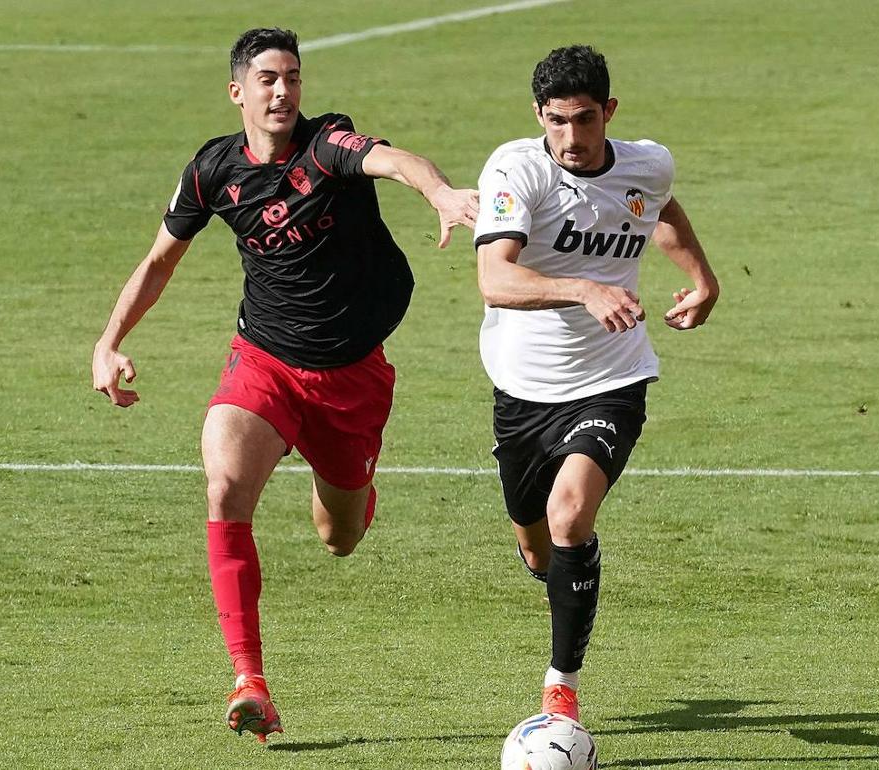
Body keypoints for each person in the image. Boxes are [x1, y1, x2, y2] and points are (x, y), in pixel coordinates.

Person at [91, 27, 477, 741]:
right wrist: (110, 341)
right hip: (263, 361)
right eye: (268, 78)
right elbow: (158, 261)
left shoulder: (328, 145)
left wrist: (441, 193)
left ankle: (348, 484)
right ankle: (249, 680)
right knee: (224, 487)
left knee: (341, 536)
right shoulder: (212, 170)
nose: (283, 91)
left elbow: (394, 162)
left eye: (293, 77)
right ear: (238, 90)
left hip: (352, 375)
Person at [472, 45, 720, 723]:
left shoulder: (648, 162)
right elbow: (495, 279)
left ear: (609, 112)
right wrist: (582, 288)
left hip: (614, 375)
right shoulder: (516, 169)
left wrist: (703, 278)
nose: (571, 138)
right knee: (536, 545)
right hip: (522, 389)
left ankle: (562, 687)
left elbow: (660, 211)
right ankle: (559, 585)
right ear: (537, 115)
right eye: (556, 121)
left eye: (584, 120)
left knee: (570, 514)